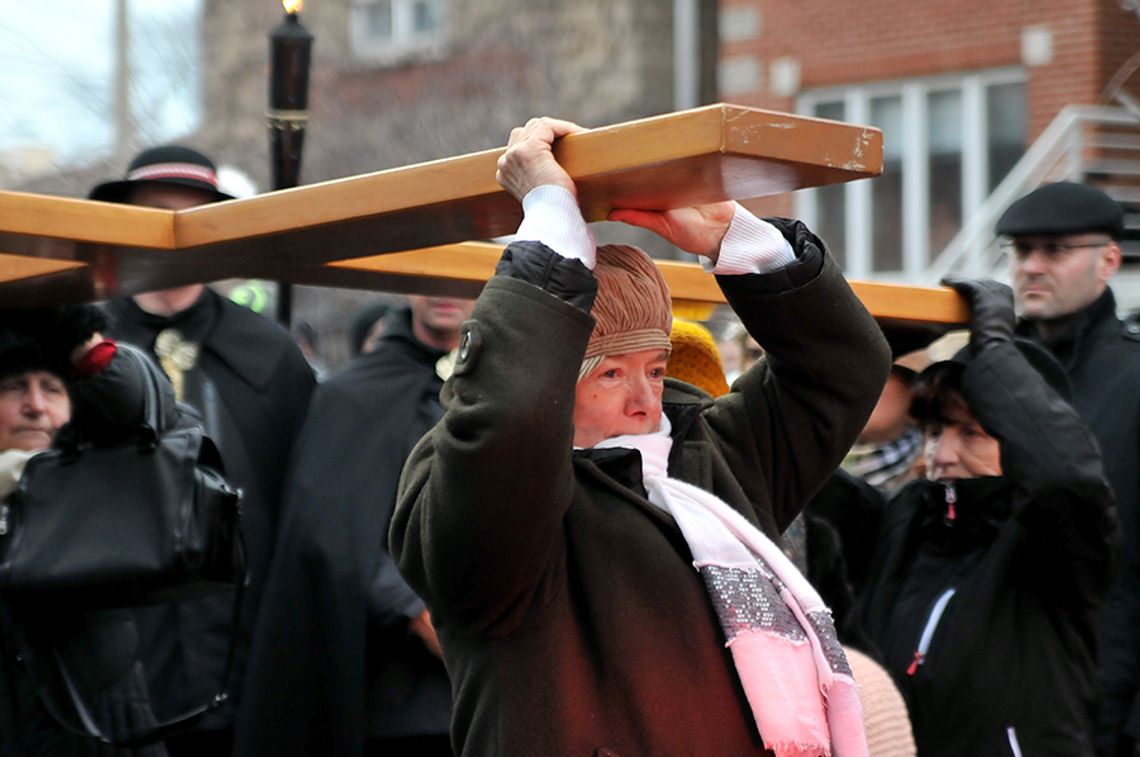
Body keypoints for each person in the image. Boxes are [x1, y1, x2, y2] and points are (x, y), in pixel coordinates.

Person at [389, 117, 891, 755]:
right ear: (546, 372)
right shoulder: (474, 488)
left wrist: (738, 241)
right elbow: (508, 423)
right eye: (609, 375)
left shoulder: (712, 457)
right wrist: (550, 224)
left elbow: (842, 370)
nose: (644, 398)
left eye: (655, 369)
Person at [90, 145, 317, 755]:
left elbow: (302, 507)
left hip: (241, 657)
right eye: (153, 216)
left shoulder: (266, 353)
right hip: (113, 661)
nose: (169, 236)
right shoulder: (82, 346)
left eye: (189, 219)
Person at [859, 278, 1118, 755]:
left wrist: (995, 350)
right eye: (935, 430)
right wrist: (859, 350)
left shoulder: (1056, 538)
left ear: (1022, 439)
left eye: (971, 433)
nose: (943, 453)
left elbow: (1064, 478)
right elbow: (786, 465)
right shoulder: (908, 519)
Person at [236, 295, 473, 757]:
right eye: (431, 275)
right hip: (395, 698)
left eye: (459, 277)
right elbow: (331, 530)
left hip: (494, 692)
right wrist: (416, 610)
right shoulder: (353, 394)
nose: (445, 291)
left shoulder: (508, 387)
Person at [998, 181, 1140, 756]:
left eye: (1053, 251)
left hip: (1103, 692)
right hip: (996, 679)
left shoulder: (1133, 379)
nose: (1031, 266)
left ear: (1108, 260)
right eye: (1020, 251)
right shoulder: (987, 371)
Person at [0, 306, 172, 756]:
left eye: (52, 389)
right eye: (14, 388)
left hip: (98, 727)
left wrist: (79, 340)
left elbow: (138, 399)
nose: (35, 405)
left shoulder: (94, 483)